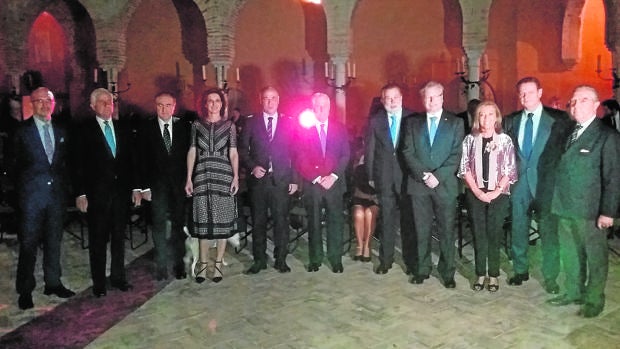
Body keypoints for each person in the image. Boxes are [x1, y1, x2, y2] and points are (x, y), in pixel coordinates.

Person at [547, 85, 620, 318]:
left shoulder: (607, 136)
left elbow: (613, 178)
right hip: (565, 205)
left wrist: (608, 212)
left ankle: (594, 299)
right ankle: (573, 292)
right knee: (570, 253)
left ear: (596, 105)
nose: (576, 105)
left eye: (583, 100)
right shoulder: (569, 131)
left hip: (591, 210)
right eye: (574, 101)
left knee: (595, 257)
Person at [503, 77, 571, 293]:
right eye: (522, 93)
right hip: (520, 185)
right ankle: (520, 270)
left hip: (546, 186)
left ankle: (550, 277)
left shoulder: (559, 119)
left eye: (530, 92)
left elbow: (565, 155)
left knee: (549, 233)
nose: (525, 97)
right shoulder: (511, 120)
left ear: (540, 93)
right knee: (518, 228)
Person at [73, 88, 142, 298]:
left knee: (119, 238)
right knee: (98, 240)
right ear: (93, 106)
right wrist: (80, 193)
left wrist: (136, 188)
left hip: (120, 194)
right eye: (102, 102)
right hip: (97, 195)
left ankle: (118, 277)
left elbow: (132, 161)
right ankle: (99, 282)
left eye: (110, 102)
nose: (107, 105)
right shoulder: (84, 131)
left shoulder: (122, 128)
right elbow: (77, 165)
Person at [11, 87, 75, 310]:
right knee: (28, 244)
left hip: (55, 197)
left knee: (53, 243)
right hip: (31, 198)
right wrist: (18, 194)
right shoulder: (21, 132)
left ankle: (53, 283)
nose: (44, 104)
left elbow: (66, 164)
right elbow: (12, 165)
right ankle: (25, 290)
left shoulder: (62, 130)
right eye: (38, 101)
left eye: (47, 100)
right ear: (32, 104)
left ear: (53, 103)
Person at [401, 81, 464, 288]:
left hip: (444, 185)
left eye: (435, 96)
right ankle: (422, 269)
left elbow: (456, 154)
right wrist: (423, 175)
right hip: (419, 186)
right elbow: (407, 151)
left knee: (446, 231)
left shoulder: (455, 123)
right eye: (427, 97)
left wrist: (438, 176)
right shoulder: (412, 122)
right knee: (422, 229)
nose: (430, 101)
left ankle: (447, 273)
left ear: (442, 97)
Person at [458, 101, 517, 292]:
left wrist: (495, 191)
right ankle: (480, 273)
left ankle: (493, 275)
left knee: (494, 234)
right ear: (477, 118)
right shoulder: (469, 140)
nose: (486, 118)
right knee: (479, 234)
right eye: (482, 115)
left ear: (497, 117)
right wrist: (477, 191)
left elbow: (510, 169)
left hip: (498, 195)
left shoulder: (505, 140)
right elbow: (464, 168)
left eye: (490, 114)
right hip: (475, 194)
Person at [239, 87, 299, 274]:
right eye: (266, 98)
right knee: (259, 222)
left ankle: (280, 259)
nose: (270, 102)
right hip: (259, 181)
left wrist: (295, 179)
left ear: (278, 100)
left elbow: (296, 152)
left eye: (273, 98)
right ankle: (259, 260)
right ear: (261, 100)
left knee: (281, 221)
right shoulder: (251, 122)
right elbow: (242, 150)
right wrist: (252, 167)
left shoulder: (289, 123)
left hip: (281, 180)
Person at [184, 88, 239, 283]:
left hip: (223, 175)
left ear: (222, 104)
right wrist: (189, 178)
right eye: (210, 101)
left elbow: (233, 152)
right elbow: (192, 150)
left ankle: (217, 264)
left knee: (222, 222)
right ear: (205, 104)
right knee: (204, 223)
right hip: (202, 175)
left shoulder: (229, 126)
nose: (214, 104)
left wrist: (236, 177)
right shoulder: (196, 125)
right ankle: (203, 263)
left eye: (217, 100)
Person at [138, 92, 191, 281]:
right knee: (159, 225)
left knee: (178, 226)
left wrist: (189, 181)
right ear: (155, 106)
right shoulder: (146, 128)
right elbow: (140, 160)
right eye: (160, 105)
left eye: (168, 105)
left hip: (178, 186)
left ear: (174, 106)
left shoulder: (183, 127)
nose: (164, 109)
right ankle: (161, 265)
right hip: (156, 186)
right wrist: (143, 188)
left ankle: (179, 265)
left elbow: (189, 158)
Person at [296, 92, 350, 273]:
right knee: (314, 222)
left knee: (336, 221)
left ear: (329, 107)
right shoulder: (304, 131)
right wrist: (318, 178)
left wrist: (333, 176)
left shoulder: (340, 128)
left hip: (334, 183)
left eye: (324, 106)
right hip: (314, 184)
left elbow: (345, 155)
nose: (320, 109)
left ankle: (336, 259)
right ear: (312, 108)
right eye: (317, 106)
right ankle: (315, 259)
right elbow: (300, 158)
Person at [364, 83, 414, 273]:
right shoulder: (375, 120)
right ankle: (386, 261)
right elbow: (370, 150)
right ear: (382, 100)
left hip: (407, 177)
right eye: (387, 98)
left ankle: (410, 262)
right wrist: (370, 175)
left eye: (395, 97)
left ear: (401, 98)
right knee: (387, 220)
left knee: (408, 221)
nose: (391, 102)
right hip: (383, 176)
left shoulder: (413, 117)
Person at [351, 139, 379, 263]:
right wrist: (359, 166)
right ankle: (359, 246)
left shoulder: (381, 162)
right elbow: (355, 182)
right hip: (360, 196)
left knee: (369, 213)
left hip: (375, 198)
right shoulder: (359, 160)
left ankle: (367, 245)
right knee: (358, 213)